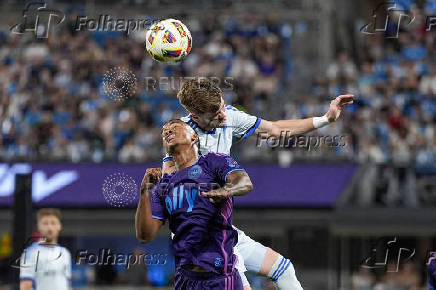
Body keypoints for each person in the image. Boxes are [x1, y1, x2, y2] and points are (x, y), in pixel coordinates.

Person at [159, 77, 354, 289]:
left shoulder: (228, 116)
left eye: (222, 107)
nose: (223, 115)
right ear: (195, 116)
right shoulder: (180, 135)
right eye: (216, 114)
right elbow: (168, 181)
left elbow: (275, 130)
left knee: (284, 269)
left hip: (223, 230)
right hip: (201, 240)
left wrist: (325, 118)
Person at [135, 119, 253, 289]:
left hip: (219, 276)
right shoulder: (163, 185)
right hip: (185, 279)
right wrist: (144, 192)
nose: (167, 132)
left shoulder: (213, 162)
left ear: (194, 136)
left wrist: (226, 190)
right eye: (164, 132)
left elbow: (245, 182)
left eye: (174, 128)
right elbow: (145, 235)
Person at [19, 208, 72, 290]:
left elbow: (67, 284)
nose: (50, 227)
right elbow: (25, 286)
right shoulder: (30, 253)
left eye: (53, 223)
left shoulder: (65, 253)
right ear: (39, 226)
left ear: (59, 226)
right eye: (45, 223)